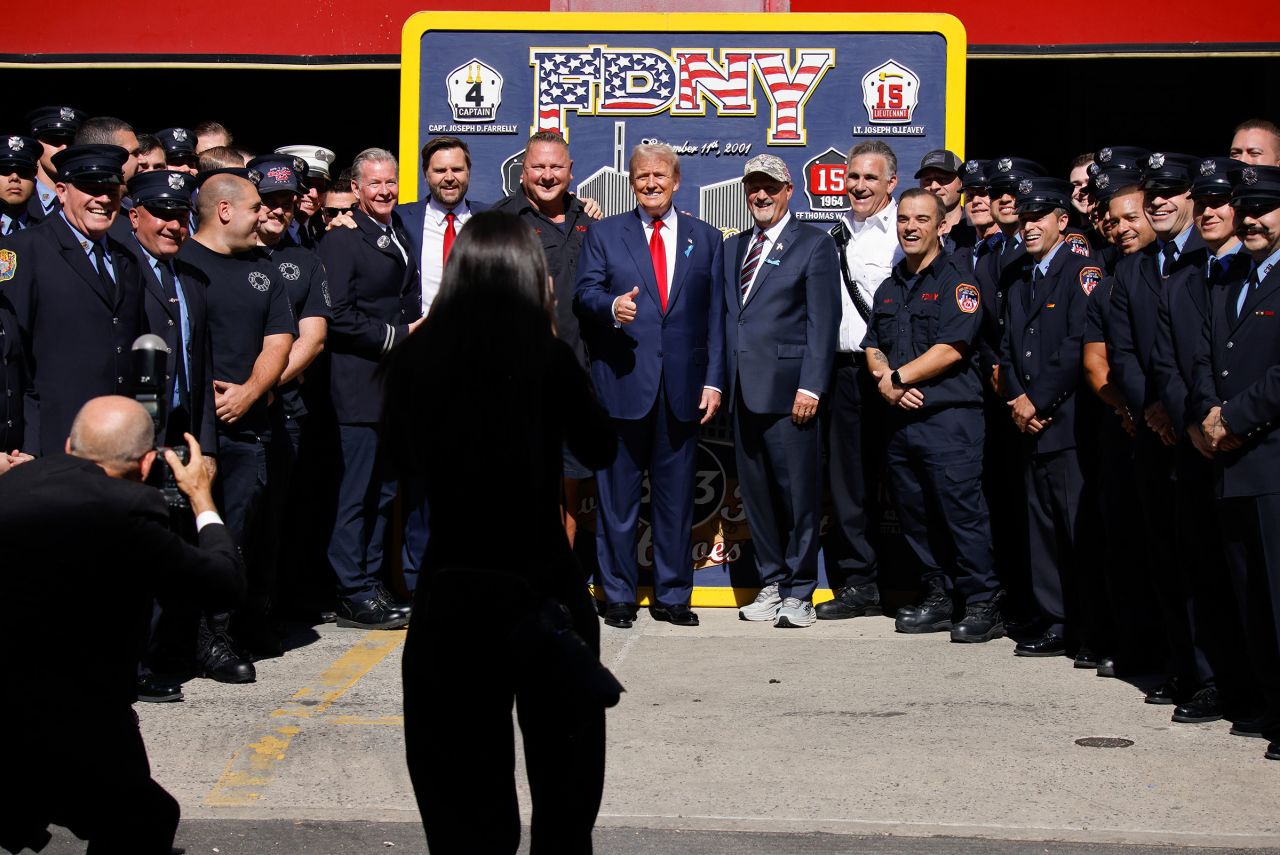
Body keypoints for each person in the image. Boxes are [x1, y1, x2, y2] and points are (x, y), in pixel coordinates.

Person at [383, 211, 617, 854]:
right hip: (543, 581)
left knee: (457, 781)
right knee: (565, 786)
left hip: (452, 586)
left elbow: (399, 461)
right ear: (531, 276)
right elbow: (598, 445)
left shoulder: (416, 358)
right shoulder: (546, 356)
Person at [0, 396, 243, 854]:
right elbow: (222, 584)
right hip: (67, 716)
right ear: (149, 461)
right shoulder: (129, 508)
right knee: (145, 817)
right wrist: (201, 499)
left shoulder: (16, 482)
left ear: (70, 445)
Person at [573, 142, 725, 629]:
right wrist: (611, 308)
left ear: (677, 181)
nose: (652, 183)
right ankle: (616, 594)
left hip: (683, 389)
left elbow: (717, 319)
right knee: (616, 501)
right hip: (622, 383)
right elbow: (584, 294)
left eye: (660, 175)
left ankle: (673, 595)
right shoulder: (605, 234)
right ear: (631, 182)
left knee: (676, 500)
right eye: (642, 177)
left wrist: (715, 382)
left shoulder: (705, 238)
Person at [863, 187, 1004, 642]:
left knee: (961, 513)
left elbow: (952, 349)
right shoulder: (890, 284)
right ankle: (938, 596)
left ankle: (984, 602)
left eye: (921, 219)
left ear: (942, 225)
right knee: (916, 516)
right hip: (901, 421)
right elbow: (872, 345)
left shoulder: (958, 283)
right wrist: (886, 379)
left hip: (950, 420)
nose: (910, 227)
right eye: (904, 219)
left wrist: (897, 378)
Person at [176, 169, 295, 676]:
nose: (263, 216)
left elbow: (280, 340)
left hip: (247, 428)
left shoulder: (264, 269)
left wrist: (250, 392)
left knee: (238, 533)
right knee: (185, 535)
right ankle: (175, 639)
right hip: (189, 430)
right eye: (253, 208)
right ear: (225, 211)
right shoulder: (179, 265)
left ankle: (217, 638)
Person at [1149, 156, 1253, 725]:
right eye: (1205, 202)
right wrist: (1195, 419)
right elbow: (1170, 360)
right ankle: (1216, 681)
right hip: (1196, 444)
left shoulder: (1254, 272)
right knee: (1203, 574)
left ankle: (1258, 686)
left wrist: (1230, 419)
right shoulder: (1185, 277)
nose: (1212, 212)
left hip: (1249, 443)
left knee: (1250, 577)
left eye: (1223, 203)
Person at [1109, 152, 1210, 707]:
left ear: (1192, 197)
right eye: (1152, 195)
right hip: (1155, 429)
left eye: (1172, 191)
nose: (1160, 202)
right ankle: (1184, 669)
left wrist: (1182, 411)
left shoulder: (1211, 255)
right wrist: (1152, 407)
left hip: (1201, 431)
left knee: (1205, 558)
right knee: (1164, 555)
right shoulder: (1132, 269)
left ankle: (1218, 673)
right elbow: (1125, 350)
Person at [726, 155, 839, 628]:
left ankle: (800, 590)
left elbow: (823, 321)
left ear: (789, 189)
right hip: (742, 393)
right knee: (757, 497)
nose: (761, 194)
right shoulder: (734, 247)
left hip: (791, 393)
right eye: (753, 186)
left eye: (770, 186)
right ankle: (771, 582)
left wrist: (811, 385)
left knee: (799, 498)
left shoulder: (813, 244)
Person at [1195, 163, 1280, 763]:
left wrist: (1235, 417)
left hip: (1271, 459)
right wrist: (1206, 413)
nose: (1251, 219)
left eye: (1265, 210)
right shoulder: (1231, 280)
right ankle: (1266, 701)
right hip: (1230, 460)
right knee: (1248, 592)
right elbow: (1207, 355)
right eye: (1245, 210)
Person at [318, 147, 421, 628]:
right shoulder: (342, 240)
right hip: (358, 385)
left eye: (390, 182)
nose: (384, 191)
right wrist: (398, 337)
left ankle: (371, 581)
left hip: (392, 389)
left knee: (384, 492)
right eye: (375, 184)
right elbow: (336, 314)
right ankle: (350, 591)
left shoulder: (395, 227)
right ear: (355, 189)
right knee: (356, 493)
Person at [999, 177, 1099, 657]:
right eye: (1023, 218)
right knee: (1040, 531)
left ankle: (1086, 624)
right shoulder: (1019, 276)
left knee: (1075, 528)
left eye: (1039, 217)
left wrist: (1037, 401)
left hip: (1065, 422)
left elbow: (1076, 345)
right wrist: (1018, 399)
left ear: (1063, 221)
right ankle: (1055, 620)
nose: (1029, 226)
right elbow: (1008, 349)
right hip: (1027, 422)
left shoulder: (1082, 271)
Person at [1, 143, 146, 456]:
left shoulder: (127, 260)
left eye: (111, 189)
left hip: (118, 442)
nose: (104, 199)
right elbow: (13, 358)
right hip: (52, 441)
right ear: (62, 192)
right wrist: (27, 444)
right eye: (91, 189)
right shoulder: (25, 250)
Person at [490, 131, 599, 545]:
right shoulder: (500, 222)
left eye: (556, 167)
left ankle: (561, 587)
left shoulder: (591, 221)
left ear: (571, 172)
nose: (547, 175)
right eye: (539, 166)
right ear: (523, 172)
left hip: (578, 379)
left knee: (571, 489)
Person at [815, 140, 900, 620]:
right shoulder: (833, 233)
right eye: (853, 177)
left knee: (907, 479)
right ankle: (859, 585)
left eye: (871, 178)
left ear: (891, 181)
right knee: (848, 485)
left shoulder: (904, 231)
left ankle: (931, 585)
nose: (859, 186)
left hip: (894, 373)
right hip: (844, 373)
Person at [126, 169, 216, 454]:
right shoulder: (121, 271)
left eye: (180, 217)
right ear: (134, 217)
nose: (173, 226)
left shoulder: (194, 278)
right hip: (134, 430)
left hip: (185, 427)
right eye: (162, 215)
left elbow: (202, 361)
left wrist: (208, 447)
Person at [398, 135, 486, 317]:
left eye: (457, 169)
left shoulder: (491, 219)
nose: (449, 177)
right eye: (439, 170)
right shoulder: (399, 218)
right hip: (421, 336)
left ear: (468, 171)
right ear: (426, 174)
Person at [25, 105, 85, 224]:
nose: (64, 148)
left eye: (71, 142)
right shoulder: (18, 196)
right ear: (36, 145)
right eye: (55, 140)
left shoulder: (91, 197)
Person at [275, 144, 337, 247]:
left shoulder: (324, 232)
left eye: (321, 188)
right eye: (306, 185)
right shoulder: (267, 229)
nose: (314, 195)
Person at [916, 148, 975, 254]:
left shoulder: (977, 228)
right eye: (928, 180)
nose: (934, 186)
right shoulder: (910, 229)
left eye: (942, 179)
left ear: (962, 182)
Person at [1, 135, 43, 236]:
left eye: (23, 171)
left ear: (34, 177)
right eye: (4, 170)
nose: (15, 177)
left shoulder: (48, 232)